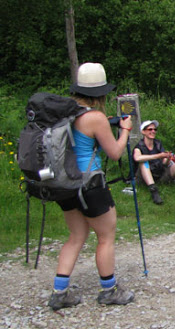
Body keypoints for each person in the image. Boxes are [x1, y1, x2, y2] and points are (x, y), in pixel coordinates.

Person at [48, 62, 135, 310]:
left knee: (76, 236)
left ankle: (59, 292)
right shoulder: (95, 117)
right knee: (106, 236)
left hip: (65, 184)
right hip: (90, 184)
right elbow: (116, 153)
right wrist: (125, 131)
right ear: (100, 92)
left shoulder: (65, 112)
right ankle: (109, 290)